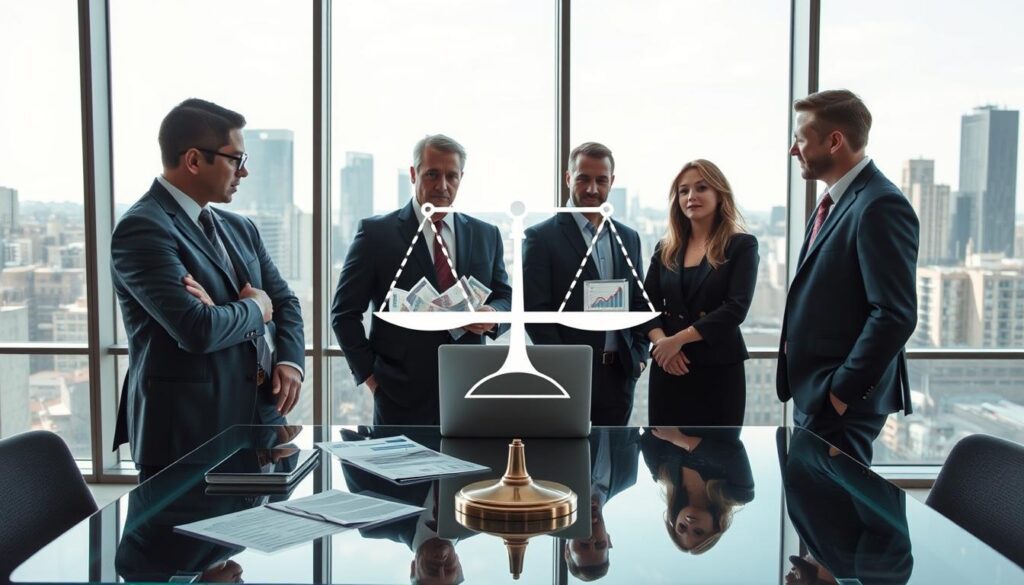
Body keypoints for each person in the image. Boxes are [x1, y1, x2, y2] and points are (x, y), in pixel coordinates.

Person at [111, 99, 304, 481]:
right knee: (181, 542)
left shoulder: (240, 228)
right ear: (195, 160)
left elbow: (285, 301)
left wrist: (290, 362)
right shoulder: (143, 230)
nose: (244, 171)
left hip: (261, 423)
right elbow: (197, 329)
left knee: (250, 538)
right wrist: (254, 308)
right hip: (187, 436)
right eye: (236, 159)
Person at [778, 89, 919, 466]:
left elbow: (895, 313)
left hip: (841, 405)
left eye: (800, 139)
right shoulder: (837, 200)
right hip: (817, 396)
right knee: (816, 510)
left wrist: (840, 392)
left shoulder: (879, 204)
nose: (794, 150)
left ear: (835, 141)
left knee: (837, 515)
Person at [331, 134, 512, 425]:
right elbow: (344, 314)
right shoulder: (376, 234)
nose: (442, 185)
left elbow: (506, 296)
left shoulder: (485, 234)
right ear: (414, 174)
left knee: (472, 471)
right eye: (432, 174)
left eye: (451, 176)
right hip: (398, 396)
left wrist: (494, 314)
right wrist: (371, 379)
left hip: (472, 390)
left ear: (461, 178)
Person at [524, 142, 649, 425]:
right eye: (583, 178)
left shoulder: (629, 238)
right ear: (569, 178)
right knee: (569, 464)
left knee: (616, 465)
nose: (592, 189)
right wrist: (564, 367)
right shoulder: (541, 238)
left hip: (619, 377)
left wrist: (640, 356)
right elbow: (535, 312)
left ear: (611, 183)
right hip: (568, 378)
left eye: (601, 180)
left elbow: (640, 302)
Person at [640, 159, 758, 426]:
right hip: (668, 367)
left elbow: (735, 308)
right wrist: (662, 345)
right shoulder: (665, 248)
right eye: (684, 191)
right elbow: (645, 305)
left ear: (720, 194)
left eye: (701, 188)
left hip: (717, 370)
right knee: (665, 458)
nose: (691, 196)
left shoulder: (741, 245)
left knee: (716, 457)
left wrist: (677, 340)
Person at [778, 427, 913, 584]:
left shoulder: (817, 550)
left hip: (811, 423)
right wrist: (835, 457)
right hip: (837, 426)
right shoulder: (867, 575)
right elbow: (889, 527)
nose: (786, 579)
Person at [639, 427, 754, 555]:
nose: (689, 523)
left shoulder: (662, 474)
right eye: (698, 531)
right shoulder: (740, 494)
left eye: (682, 527)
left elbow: (649, 435)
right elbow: (733, 454)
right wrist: (678, 439)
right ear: (715, 528)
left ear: (675, 520)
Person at [563, 428, 640, 580]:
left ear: (567, 549)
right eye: (600, 544)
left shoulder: (553, 485)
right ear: (609, 540)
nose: (591, 539)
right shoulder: (628, 476)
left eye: (583, 546)